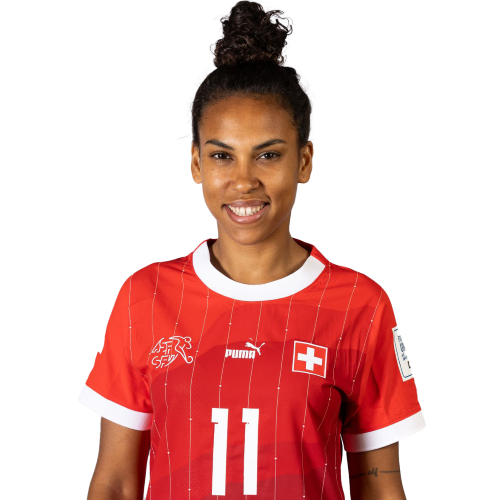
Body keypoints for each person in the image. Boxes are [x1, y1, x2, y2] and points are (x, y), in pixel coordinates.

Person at [77, 1, 426, 499]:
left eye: (268, 154)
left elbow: (380, 482)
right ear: (195, 163)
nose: (244, 181)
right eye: (222, 155)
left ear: (305, 160)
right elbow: (114, 483)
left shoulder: (359, 305)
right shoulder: (144, 297)